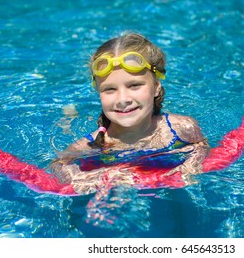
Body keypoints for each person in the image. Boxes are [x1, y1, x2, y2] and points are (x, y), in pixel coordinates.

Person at [49, 32, 209, 195]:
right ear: (98, 93)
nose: (123, 99)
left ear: (156, 87)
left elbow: (200, 147)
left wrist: (190, 167)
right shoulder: (87, 147)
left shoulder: (181, 128)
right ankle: (69, 115)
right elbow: (58, 167)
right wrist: (90, 179)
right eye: (109, 89)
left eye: (134, 85)